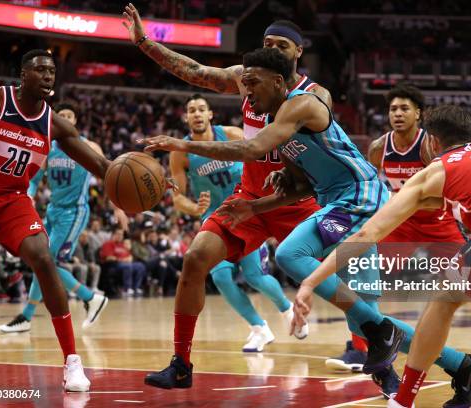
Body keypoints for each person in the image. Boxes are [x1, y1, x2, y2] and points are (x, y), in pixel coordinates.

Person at [292, 104, 471, 408]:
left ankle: (403, 399)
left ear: (431, 141)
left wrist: (311, 282)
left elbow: (366, 233)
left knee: (443, 298)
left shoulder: (435, 170)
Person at [123, 6, 325, 389]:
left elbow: (261, 151)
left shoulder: (312, 97)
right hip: (249, 199)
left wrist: (182, 144)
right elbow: (195, 71)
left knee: (344, 267)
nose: (274, 50)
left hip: (299, 200)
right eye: (268, 44)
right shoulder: (245, 80)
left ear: (298, 52)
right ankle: (181, 363)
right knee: (197, 258)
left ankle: (367, 347)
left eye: (282, 45)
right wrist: (144, 42)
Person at [362, 84, 471, 370]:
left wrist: (412, 201)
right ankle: (357, 348)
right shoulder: (378, 148)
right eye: (393, 108)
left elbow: (448, 191)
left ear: (418, 114)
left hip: (439, 222)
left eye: (404, 108)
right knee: (361, 275)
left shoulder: (428, 146)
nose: (397, 114)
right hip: (404, 224)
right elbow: (372, 186)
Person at [0, 49, 115, 391]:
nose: (48, 76)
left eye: (52, 71)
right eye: (40, 70)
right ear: (23, 76)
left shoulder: (55, 125)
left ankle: (72, 362)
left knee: (44, 257)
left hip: (12, 201)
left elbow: (101, 166)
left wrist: (145, 181)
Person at [170, 93, 295, 352]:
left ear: (210, 114)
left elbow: (262, 160)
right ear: (186, 117)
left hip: (246, 212)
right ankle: (259, 328)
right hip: (216, 218)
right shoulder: (180, 152)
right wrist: (195, 207)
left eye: (200, 109)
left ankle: (286, 308)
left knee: (255, 277)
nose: (196, 113)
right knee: (222, 279)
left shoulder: (232, 134)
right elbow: (177, 197)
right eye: (191, 110)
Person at [0, 103, 112, 334]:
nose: (67, 120)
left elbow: (109, 175)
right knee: (41, 260)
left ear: (76, 121)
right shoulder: (47, 148)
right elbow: (34, 177)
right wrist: (28, 195)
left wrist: (117, 207)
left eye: (70, 116)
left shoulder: (87, 147)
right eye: (63, 116)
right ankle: (28, 317)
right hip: (52, 211)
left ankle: (90, 298)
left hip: (74, 211)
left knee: (48, 261)